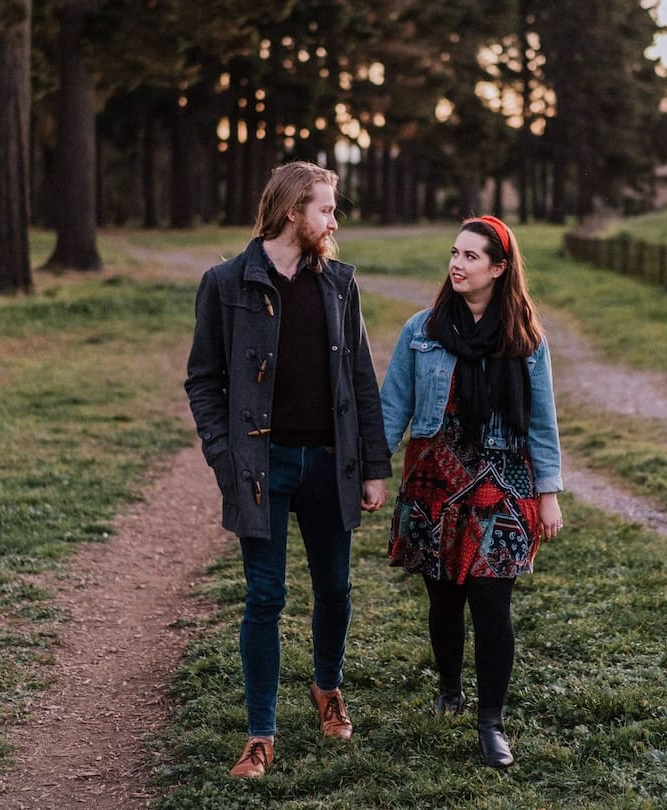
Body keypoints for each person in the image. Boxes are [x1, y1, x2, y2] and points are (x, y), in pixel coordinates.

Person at [185, 161, 392, 778]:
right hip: (261, 468)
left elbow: (361, 377)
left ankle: (327, 689)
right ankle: (259, 734)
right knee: (264, 596)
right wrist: (227, 458)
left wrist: (373, 467)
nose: (333, 221)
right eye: (326, 209)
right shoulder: (226, 284)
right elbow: (203, 380)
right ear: (291, 212)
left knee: (335, 589)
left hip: (331, 464)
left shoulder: (338, 284)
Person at [380, 215, 564, 768]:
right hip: (435, 481)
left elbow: (542, 423)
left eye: (471, 256)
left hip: (503, 483)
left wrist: (549, 492)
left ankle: (491, 723)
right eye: (454, 254)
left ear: (499, 269)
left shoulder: (526, 338)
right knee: (443, 598)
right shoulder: (423, 330)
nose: (457, 265)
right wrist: (369, 471)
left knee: (491, 601)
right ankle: (449, 690)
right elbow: (395, 408)